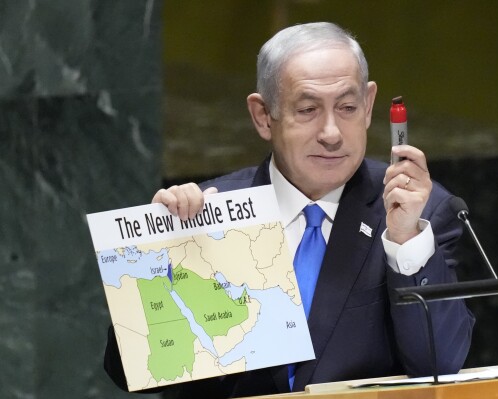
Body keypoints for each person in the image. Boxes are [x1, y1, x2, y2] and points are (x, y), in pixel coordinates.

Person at [104, 21, 474, 398]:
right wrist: (157, 259)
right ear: (264, 116)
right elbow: (128, 373)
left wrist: (405, 239)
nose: (331, 133)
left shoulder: (419, 210)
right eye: (308, 109)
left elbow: (439, 364)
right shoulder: (205, 213)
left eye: (347, 107)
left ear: (368, 106)